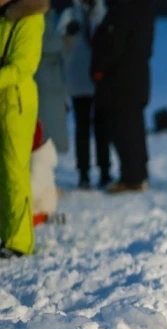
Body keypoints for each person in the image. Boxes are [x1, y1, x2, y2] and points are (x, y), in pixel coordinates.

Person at [90, 0, 154, 194]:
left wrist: (99, 67)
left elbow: (113, 43)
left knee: (123, 130)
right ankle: (138, 174)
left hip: (120, 82)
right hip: (137, 78)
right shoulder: (143, 9)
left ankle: (131, 177)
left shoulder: (123, 10)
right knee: (134, 129)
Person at [0, 0, 47, 259]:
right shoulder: (4, 18)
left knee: (13, 171)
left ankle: (19, 242)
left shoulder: (30, 17)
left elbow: (22, 66)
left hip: (16, 102)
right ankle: (7, 233)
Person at [58, 0, 110, 189]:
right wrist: (68, 36)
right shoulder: (70, 15)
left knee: (102, 128)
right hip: (78, 80)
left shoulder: (103, 13)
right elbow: (59, 46)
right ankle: (84, 173)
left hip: (99, 81)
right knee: (82, 129)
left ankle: (105, 170)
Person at [35, 5, 68, 154]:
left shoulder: (53, 17)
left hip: (52, 83)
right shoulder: (38, 19)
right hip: (43, 81)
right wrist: (63, 41)